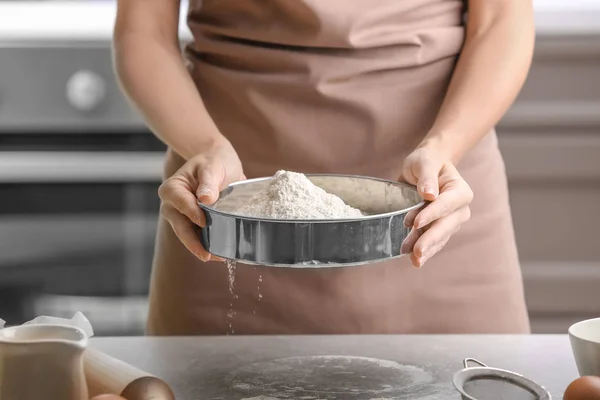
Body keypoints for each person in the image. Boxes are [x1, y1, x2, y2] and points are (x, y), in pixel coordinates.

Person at [113, 0, 534, 335]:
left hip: (437, 187)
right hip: (229, 194)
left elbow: (501, 21)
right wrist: (202, 145)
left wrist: (446, 145)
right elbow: (143, 29)